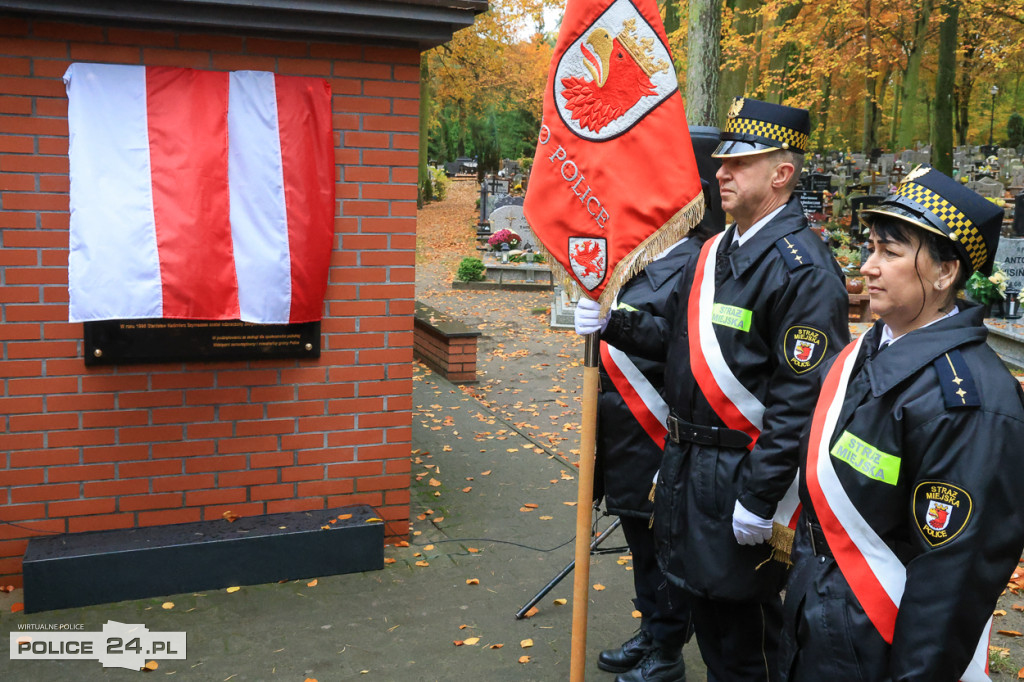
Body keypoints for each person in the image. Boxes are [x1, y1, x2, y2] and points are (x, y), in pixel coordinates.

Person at [580, 97, 850, 681]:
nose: (720, 172)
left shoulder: (802, 269)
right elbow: (675, 342)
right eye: (722, 161)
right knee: (710, 629)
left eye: (739, 163)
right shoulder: (714, 252)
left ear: (781, 174)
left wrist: (760, 497)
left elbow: (801, 400)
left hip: (742, 475)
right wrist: (612, 323)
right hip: (688, 465)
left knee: (746, 645)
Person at [779, 166, 1024, 682]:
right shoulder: (866, 352)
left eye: (889, 253)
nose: (867, 267)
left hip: (877, 642)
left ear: (945, 273)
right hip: (824, 619)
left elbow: (952, 581)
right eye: (870, 248)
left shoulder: (970, 404)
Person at [576, 197, 720, 682]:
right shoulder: (641, 258)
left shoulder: (696, 260)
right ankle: (652, 628)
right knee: (640, 544)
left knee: (665, 549)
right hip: (625, 431)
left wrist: (614, 322)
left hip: (658, 425)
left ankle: (667, 649)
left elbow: (677, 338)